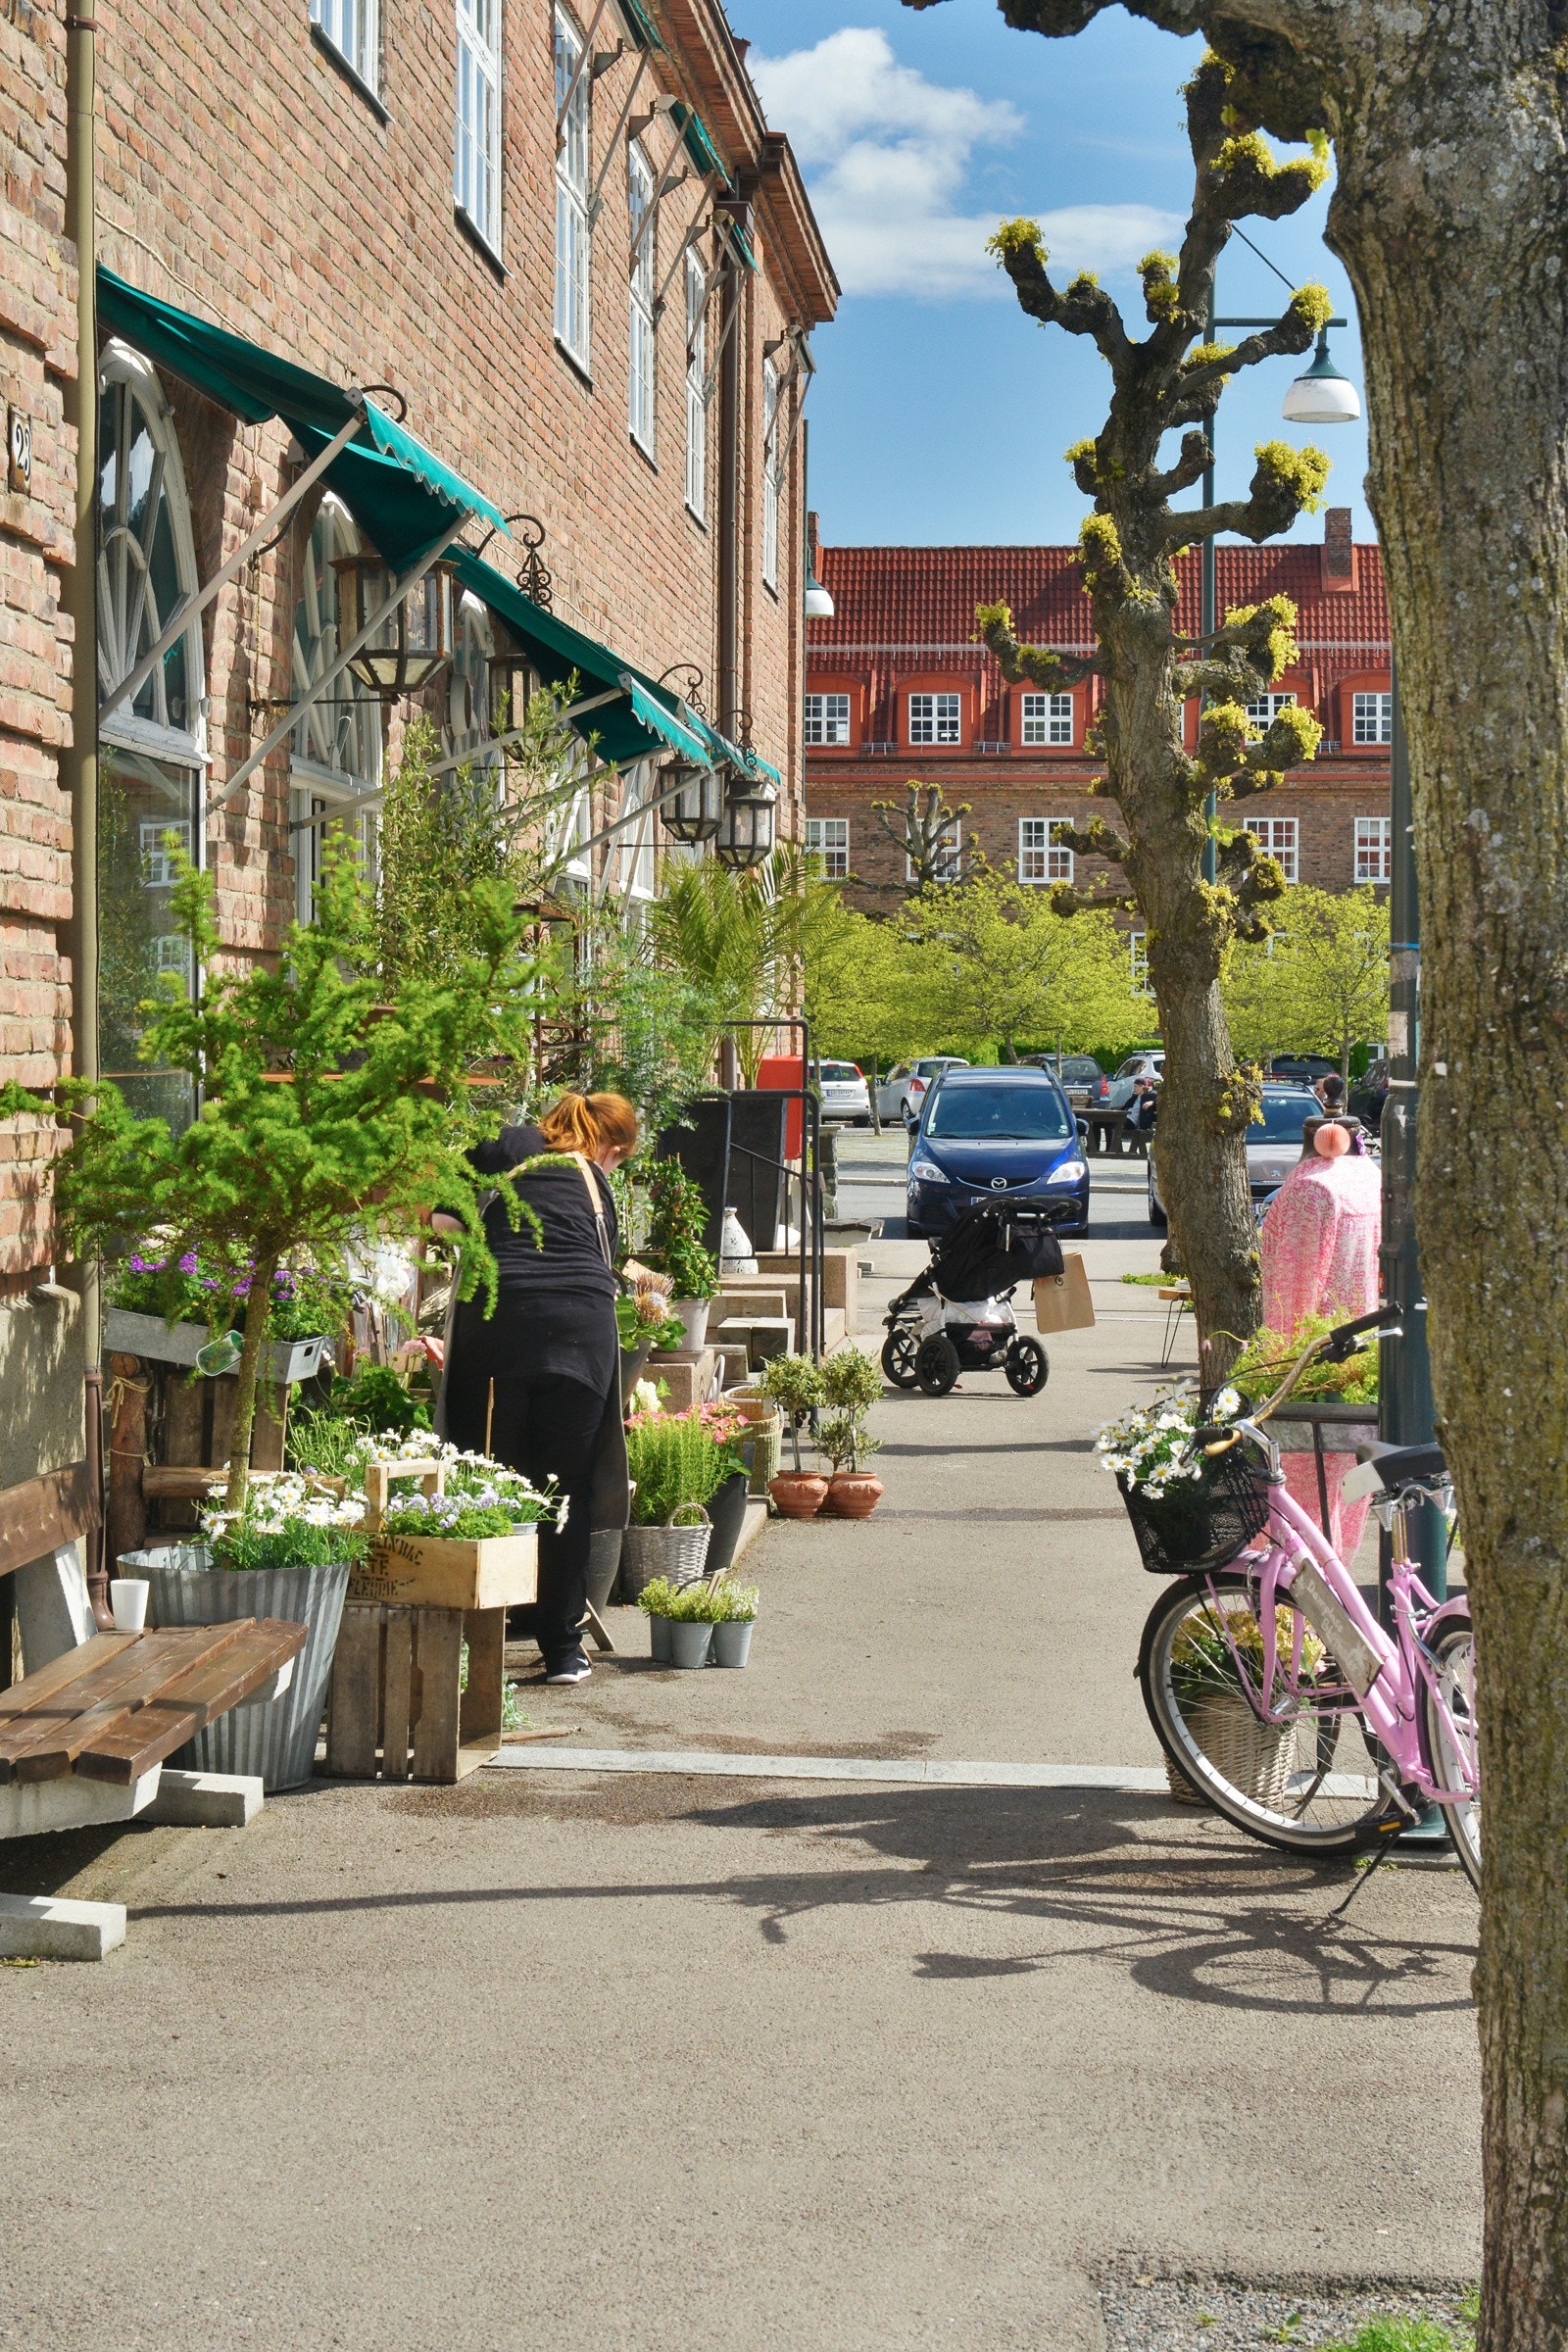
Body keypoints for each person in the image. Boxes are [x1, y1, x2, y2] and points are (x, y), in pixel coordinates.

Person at [435, 1091, 639, 1686]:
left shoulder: (504, 1145)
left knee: (493, 1479)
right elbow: (604, 1261)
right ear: (610, 1149)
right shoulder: (594, 1183)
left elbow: (446, 1221)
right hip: (582, 1334)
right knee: (564, 1488)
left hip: (500, 1329)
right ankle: (563, 1651)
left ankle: (479, 1648)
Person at [1259, 1116, 1382, 1557]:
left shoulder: (1312, 1190)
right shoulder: (1369, 1177)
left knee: (1300, 1495)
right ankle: (1335, 1587)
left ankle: (1297, 1605)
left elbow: (1295, 1287)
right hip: (1366, 1353)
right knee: (1347, 1491)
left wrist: (1278, 1363)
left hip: (1317, 1357)